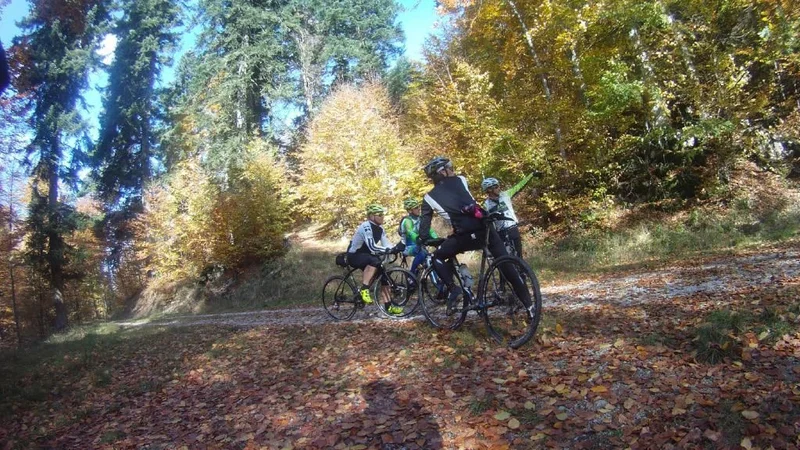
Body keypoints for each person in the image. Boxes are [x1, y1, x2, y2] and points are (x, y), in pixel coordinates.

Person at [417, 157, 532, 313]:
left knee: (436, 257)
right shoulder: (462, 180)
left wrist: (426, 239)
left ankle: (454, 289)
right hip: (485, 229)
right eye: (450, 167)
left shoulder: (428, 198)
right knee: (507, 266)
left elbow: (424, 229)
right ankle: (530, 307)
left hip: (464, 236)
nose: (453, 170)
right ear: (442, 172)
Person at [347, 204, 405, 315]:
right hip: (354, 255)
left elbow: (386, 243)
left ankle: (388, 307)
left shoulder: (380, 228)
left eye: (383, 214)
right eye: (379, 214)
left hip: (366, 255)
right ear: (371, 216)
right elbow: (372, 246)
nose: (382, 217)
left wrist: (394, 249)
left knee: (384, 277)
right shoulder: (366, 226)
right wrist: (388, 250)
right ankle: (364, 289)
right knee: (374, 261)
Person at [481, 171, 538, 258]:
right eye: (496, 187)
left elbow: (519, 186)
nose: (499, 188)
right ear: (489, 190)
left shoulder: (506, 195)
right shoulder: (486, 205)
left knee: (518, 255)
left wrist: (531, 175)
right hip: (501, 232)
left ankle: (522, 271)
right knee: (507, 257)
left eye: (498, 186)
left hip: (512, 228)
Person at [398, 197, 438, 275]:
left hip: (419, 245)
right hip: (407, 247)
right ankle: (411, 276)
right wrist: (418, 239)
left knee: (431, 257)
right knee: (422, 253)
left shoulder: (420, 219)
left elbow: (429, 230)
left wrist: (437, 239)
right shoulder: (407, 221)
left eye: (418, 207)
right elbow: (410, 232)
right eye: (416, 208)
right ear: (410, 210)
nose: (419, 209)